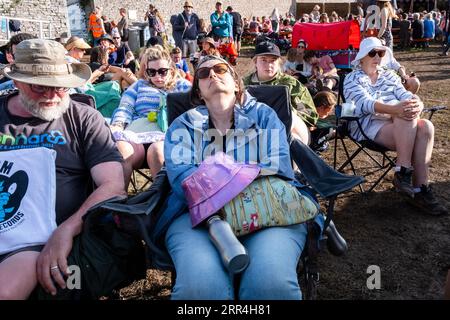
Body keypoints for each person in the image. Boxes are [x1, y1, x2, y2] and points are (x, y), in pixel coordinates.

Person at [161, 55, 323, 299]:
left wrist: (215, 175)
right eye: (203, 74)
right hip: (199, 219)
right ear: (199, 92)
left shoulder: (264, 116)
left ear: (236, 83)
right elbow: (184, 182)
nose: (212, 75)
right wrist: (247, 172)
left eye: (219, 69)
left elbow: (278, 167)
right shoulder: (183, 125)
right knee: (200, 288)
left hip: (270, 209)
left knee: (271, 285)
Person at [0, 39, 125, 299]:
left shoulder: (82, 118)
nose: (52, 94)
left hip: (34, 239)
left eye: (60, 86)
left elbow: (113, 185)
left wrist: (67, 229)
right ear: (16, 81)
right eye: (39, 86)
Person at [343, 37, 447, 216]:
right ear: (362, 57)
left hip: (399, 123)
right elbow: (364, 103)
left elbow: (405, 94)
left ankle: (420, 188)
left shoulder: (389, 75)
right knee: (405, 116)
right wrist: (394, 110)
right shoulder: (352, 78)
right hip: (368, 125)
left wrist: (418, 104)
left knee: (427, 126)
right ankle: (403, 171)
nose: (377, 57)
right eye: (372, 53)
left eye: (381, 53)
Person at [110, 46, 191, 186]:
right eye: (152, 72)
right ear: (146, 72)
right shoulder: (139, 85)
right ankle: (117, 199)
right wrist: (118, 124)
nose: (157, 76)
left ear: (171, 70)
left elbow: (195, 106)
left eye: (162, 72)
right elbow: (125, 107)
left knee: (157, 151)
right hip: (137, 133)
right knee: (121, 150)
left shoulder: (182, 86)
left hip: (168, 135)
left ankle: (160, 199)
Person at [243, 41, 318, 145]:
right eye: (263, 60)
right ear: (255, 62)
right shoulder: (243, 85)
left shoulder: (290, 84)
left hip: (287, 133)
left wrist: (290, 112)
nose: (269, 65)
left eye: (273, 61)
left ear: (278, 63)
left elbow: (309, 113)